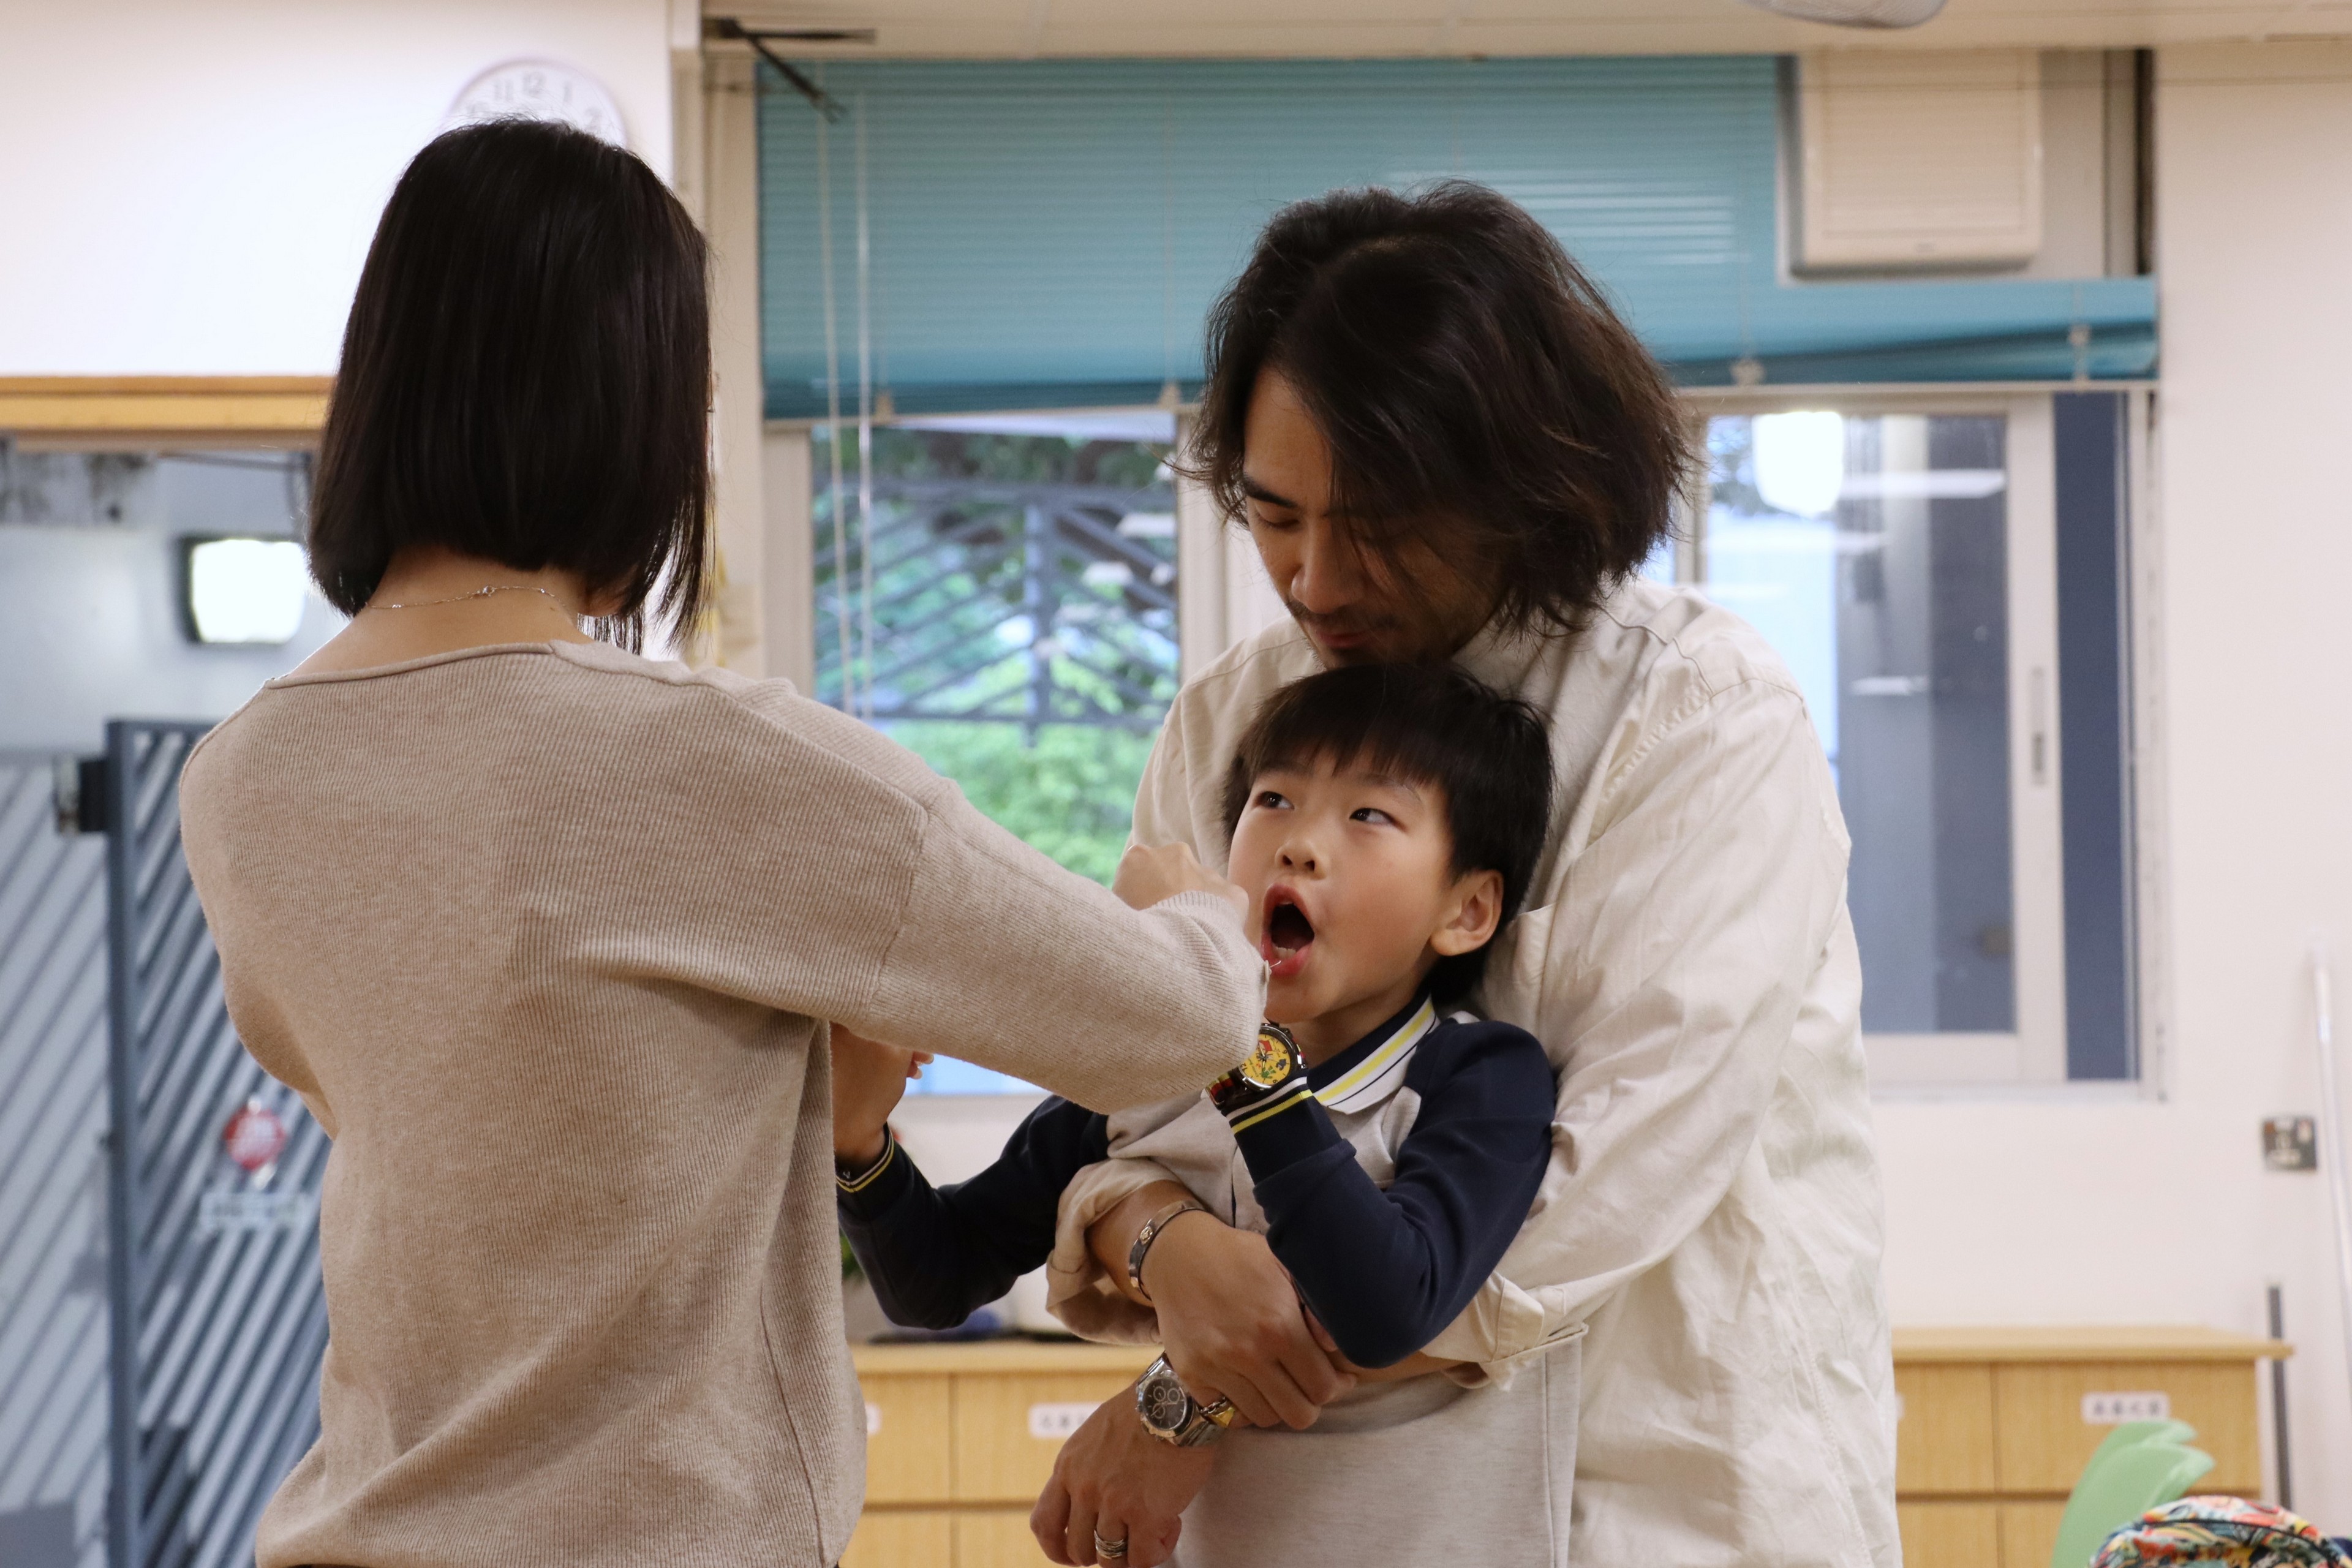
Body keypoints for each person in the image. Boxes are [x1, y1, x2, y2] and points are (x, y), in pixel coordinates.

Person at [175, 119, 1266, 1568]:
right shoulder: (703, 758)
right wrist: (1199, 908)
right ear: (623, 414)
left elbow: (476, 1120)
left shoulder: (242, 778)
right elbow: (1171, 1020)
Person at [1030, 183, 1897, 1567]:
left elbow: (1594, 1197)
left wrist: (1187, 1393)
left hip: (1647, 1496)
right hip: (1309, 1513)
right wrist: (1154, 1238)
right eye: (1276, 516)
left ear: (1521, 480)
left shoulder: (1697, 716)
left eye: (1378, 523)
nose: (1317, 578)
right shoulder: (1231, 718)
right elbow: (1147, 1103)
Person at [833, 662, 1561, 1563]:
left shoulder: (1478, 1075)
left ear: (1468, 910)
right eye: (1274, 800)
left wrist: (1224, 1034)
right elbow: (939, 1281)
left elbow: (1384, 1306)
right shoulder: (1149, 1075)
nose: (1299, 844)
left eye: (1370, 814)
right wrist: (858, 1142)